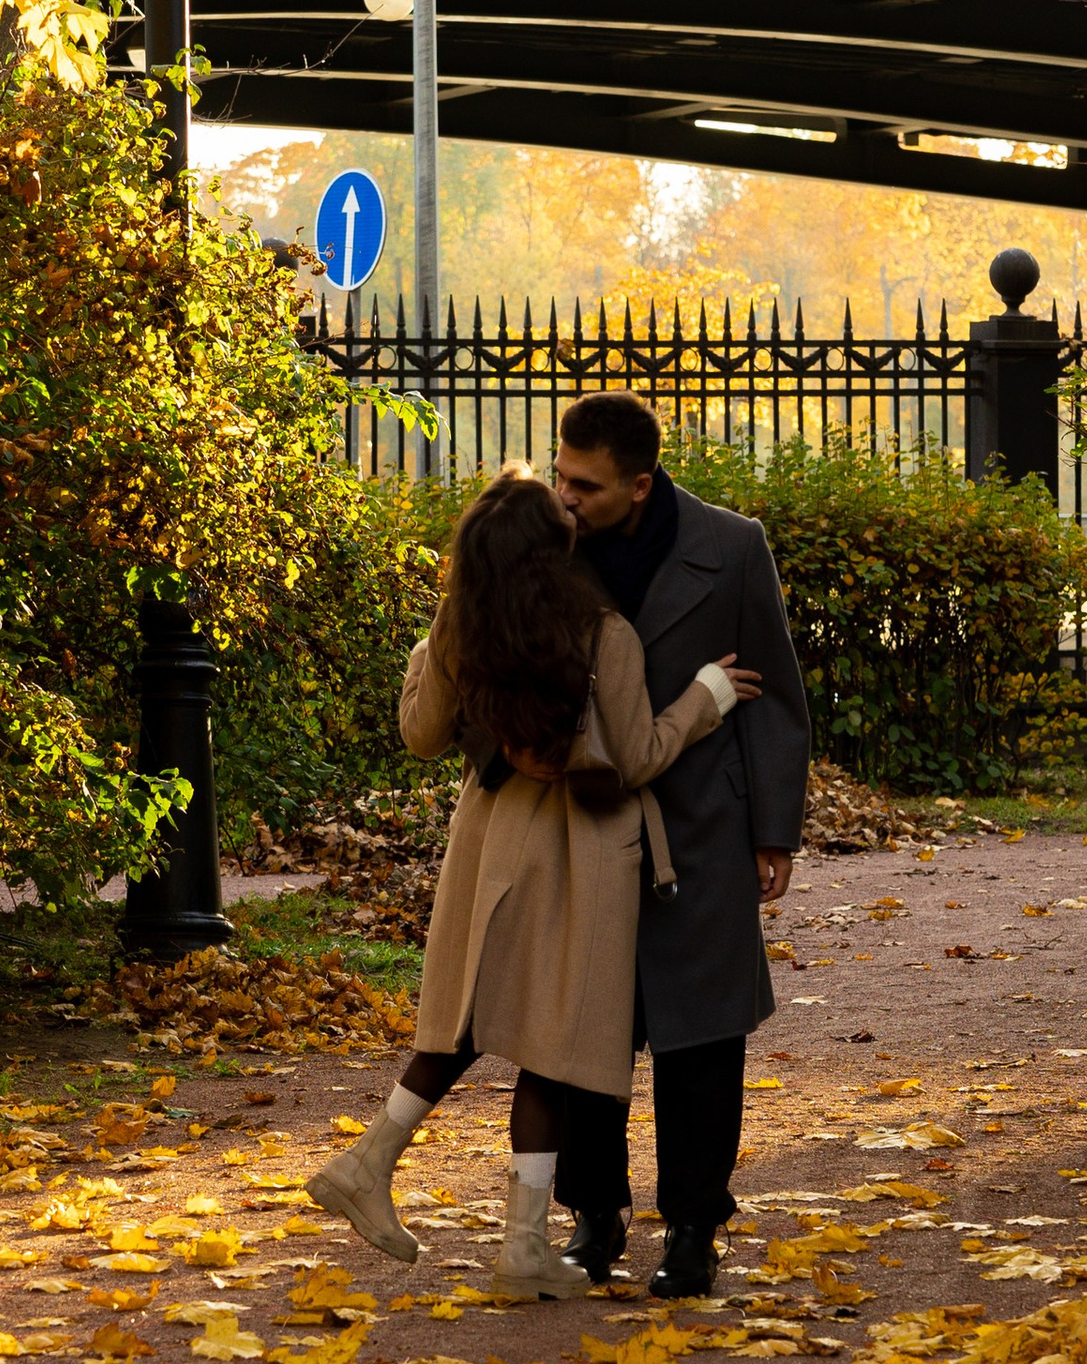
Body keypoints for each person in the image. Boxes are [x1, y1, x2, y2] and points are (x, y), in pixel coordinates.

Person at [309, 464, 759, 1300]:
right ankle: (510, 1240)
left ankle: (392, 1173)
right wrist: (705, 697)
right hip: (582, 851)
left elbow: (420, 735)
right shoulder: (602, 633)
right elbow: (635, 758)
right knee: (554, 1042)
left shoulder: (461, 625)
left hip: (491, 837)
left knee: (474, 1023)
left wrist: (431, 647)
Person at [549, 395, 811, 1298]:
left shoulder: (732, 546)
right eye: (558, 473)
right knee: (585, 1027)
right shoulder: (549, 543)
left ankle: (695, 1227)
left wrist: (773, 827)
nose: (565, 494)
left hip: (701, 820)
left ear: (639, 482)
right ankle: (594, 1214)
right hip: (583, 817)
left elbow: (771, 688)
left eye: (583, 482)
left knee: (702, 1035)